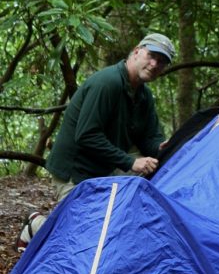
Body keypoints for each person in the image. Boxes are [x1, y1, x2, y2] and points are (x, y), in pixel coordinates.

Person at [15, 33, 176, 252]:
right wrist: (130, 162)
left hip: (104, 167)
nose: (155, 64)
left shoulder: (143, 95)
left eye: (162, 61)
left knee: (118, 224)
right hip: (74, 171)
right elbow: (87, 135)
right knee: (81, 238)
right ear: (137, 51)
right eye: (151, 55)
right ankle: (36, 225)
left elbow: (148, 138)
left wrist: (161, 147)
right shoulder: (108, 83)